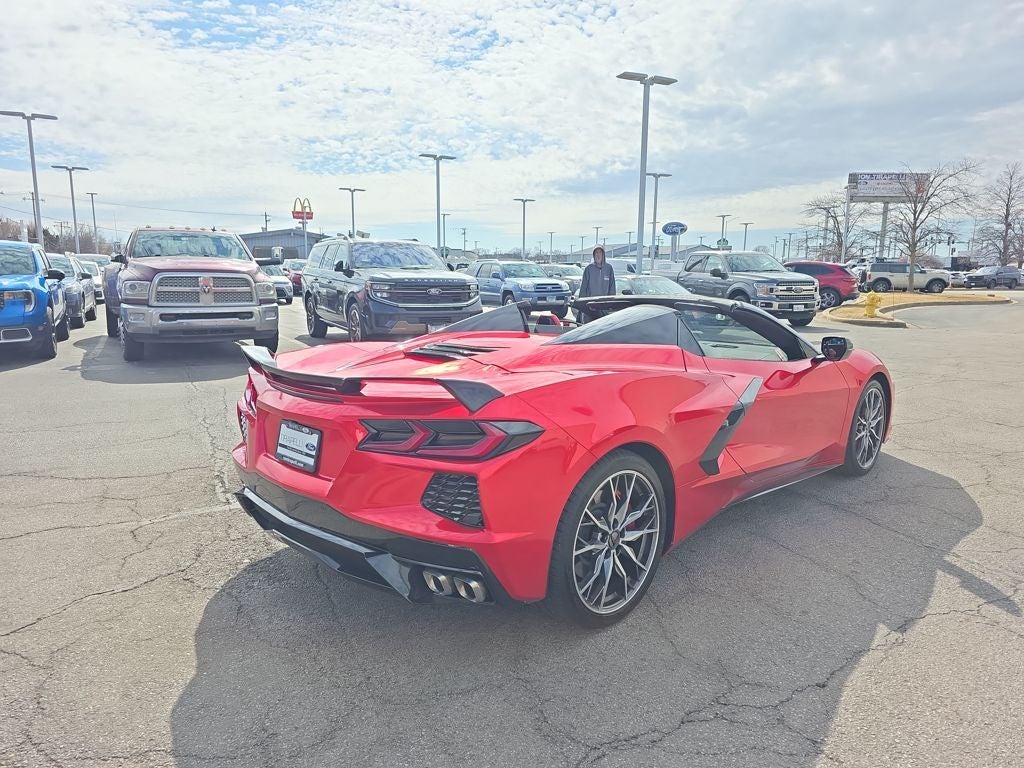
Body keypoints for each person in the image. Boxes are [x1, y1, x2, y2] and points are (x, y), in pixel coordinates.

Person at [576, 246, 616, 322]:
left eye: (600, 252)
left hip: (603, 308)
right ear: (594, 255)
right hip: (590, 307)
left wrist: (611, 304)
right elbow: (583, 288)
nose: (598, 255)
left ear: (603, 254)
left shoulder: (609, 268)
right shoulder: (589, 269)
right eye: (596, 252)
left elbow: (612, 288)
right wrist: (582, 305)